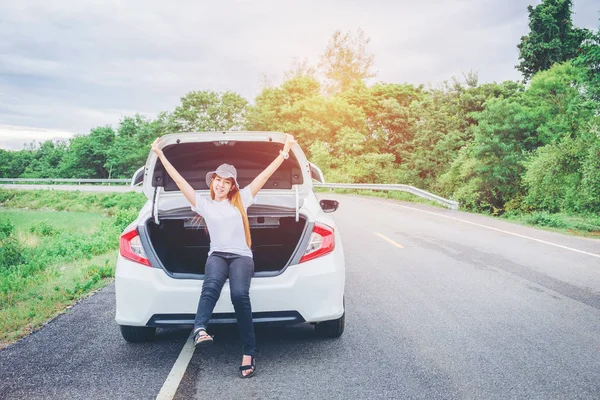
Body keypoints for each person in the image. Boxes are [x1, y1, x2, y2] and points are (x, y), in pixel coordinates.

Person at [151, 134, 297, 378]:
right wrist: (161, 155)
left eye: (226, 182)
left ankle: (249, 351)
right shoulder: (203, 204)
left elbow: (264, 177)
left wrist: (284, 152)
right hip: (217, 255)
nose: (220, 184)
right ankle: (200, 329)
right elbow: (178, 180)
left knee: (240, 295)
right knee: (211, 287)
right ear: (213, 182)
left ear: (232, 187)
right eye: (217, 180)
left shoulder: (241, 200)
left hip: (241, 256)